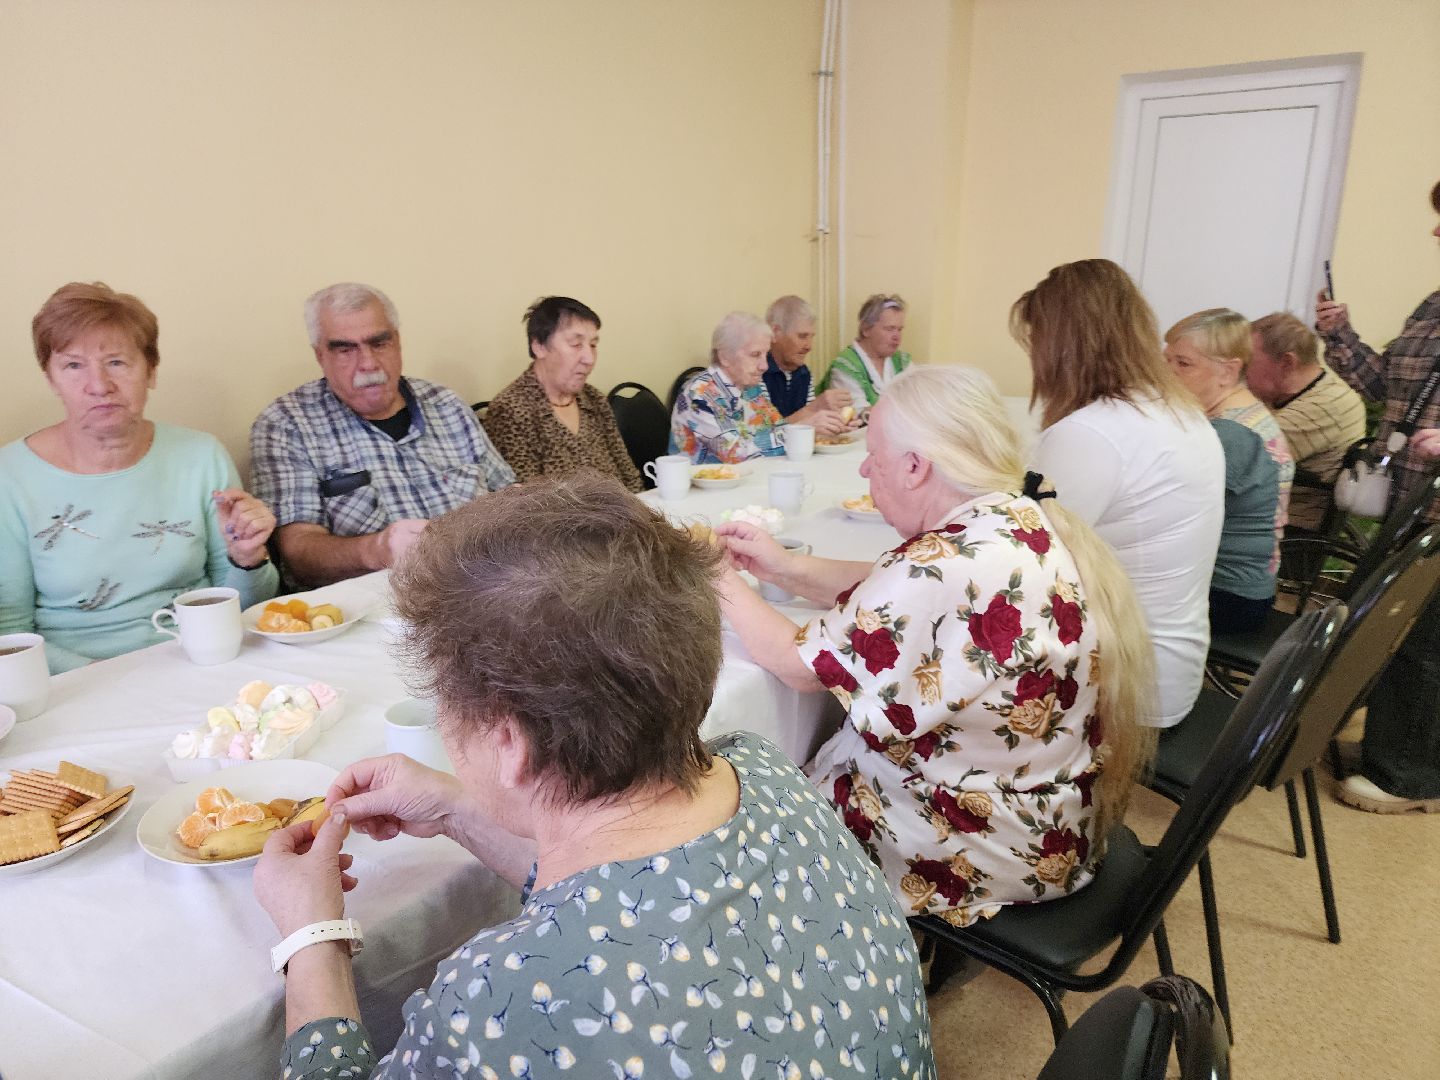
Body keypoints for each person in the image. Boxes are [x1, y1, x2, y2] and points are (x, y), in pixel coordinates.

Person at [252, 473, 935, 1078]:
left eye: (445, 708)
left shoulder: (501, 1005)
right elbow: (625, 895)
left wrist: (311, 936)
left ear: (509, 742)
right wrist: (453, 809)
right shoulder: (762, 772)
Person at [714, 366, 1155, 926]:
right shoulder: (1011, 519)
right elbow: (889, 588)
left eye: (874, 454)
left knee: (739, 794)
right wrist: (786, 566)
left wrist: (713, 574)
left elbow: (796, 665)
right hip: (1046, 820)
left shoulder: (943, 565)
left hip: (984, 838)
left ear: (917, 466)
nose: (864, 467)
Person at [0, 283, 277, 673]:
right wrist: (114, 683)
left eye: (116, 362)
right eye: (73, 365)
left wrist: (249, 559)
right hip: (76, 683)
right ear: (50, 378)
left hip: (201, 663)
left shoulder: (200, 456)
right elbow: (10, 636)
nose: (99, 386)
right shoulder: (9, 477)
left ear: (151, 370)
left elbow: (242, 605)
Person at [1019, 260, 1224, 727]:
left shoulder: (1091, 433)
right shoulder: (1178, 411)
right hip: (1174, 660)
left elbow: (1015, 565)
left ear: (1062, 346)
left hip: (1128, 680)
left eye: (1037, 341)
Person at [249, 283, 515, 587]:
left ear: (398, 342)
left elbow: (509, 497)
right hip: (371, 610)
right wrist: (377, 550)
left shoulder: (447, 405)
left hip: (484, 590)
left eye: (379, 343)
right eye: (345, 349)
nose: (368, 363)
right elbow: (298, 556)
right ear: (320, 355)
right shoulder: (286, 425)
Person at [1316, 178, 1440, 814]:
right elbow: (1388, 386)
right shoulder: (1434, 304)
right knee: (1386, 627)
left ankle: (1410, 777)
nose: (1437, 231)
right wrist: (1342, 335)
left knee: (1425, 644)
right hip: (1408, 503)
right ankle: (1395, 745)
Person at [1164, 309, 1294, 633]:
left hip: (1230, 596)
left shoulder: (1230, 434)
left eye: (1183, 364)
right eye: (1166, 360)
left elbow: (1163, 512)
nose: (1166, 375)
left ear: (1228, 370)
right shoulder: (1243, 412)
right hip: (1246, 585)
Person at [480, 296, 642, 492]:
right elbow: (528, 502)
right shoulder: (511, 409)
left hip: (623, 515)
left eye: (593, 345)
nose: (589, 358)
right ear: (539, 346)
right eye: (575, 344)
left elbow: (628, 474)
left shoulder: (594, 399)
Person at [1247, 312, 1367, 532]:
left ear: (1286, 362)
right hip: (1266, 512)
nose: (1241, 371)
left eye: (1249, 362)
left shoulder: (1325, 406)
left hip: (1288, 526)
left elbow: (1241, 461)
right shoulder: (1294, 392)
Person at [669, 311, 790, 463]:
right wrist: (793, 434)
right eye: (755, 355)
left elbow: (778, 426)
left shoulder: (751, 386)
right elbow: (734, 453)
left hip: (750, 478)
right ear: (725, 356)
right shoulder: (700, 395)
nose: (764, 366)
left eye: (766, 355)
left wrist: (792, 433)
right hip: (703, 483)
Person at [761, 295, 854, 433]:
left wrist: (837, 423)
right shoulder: (757, 371)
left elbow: (812, 426)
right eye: (802, 336)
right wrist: (814, 408)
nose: (809, 346)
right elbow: (766, 434)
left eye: (812, 337)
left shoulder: (804, 373)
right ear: (775, 333)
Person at [818, 293, 913, 407]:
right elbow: (856, 413)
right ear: (866, 329)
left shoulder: (903, 362)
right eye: (889, 329)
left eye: (899, 329)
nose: (896, 336)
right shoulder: (845, 367)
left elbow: (918, 400)